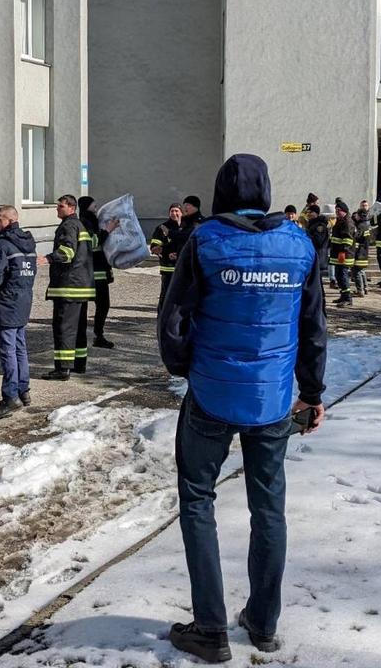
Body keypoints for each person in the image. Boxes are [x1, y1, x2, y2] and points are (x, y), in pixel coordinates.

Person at [159, 153, 326, 662]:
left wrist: (186, 368)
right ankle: (263, 622)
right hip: (273, 398)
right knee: (268, 509)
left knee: (196, 499)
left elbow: (174, 319)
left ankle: (210, 628)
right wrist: (313, 393)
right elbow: (314, 326)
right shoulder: (298, 243)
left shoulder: (204, 240)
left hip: (211, 393)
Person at [0, 206, 38, 420]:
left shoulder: (2, 245)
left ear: (10, 220)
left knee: (8, 351)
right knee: (20, 346)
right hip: (23, 299)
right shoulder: (28, 243)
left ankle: (10, 397)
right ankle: (23, 390)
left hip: (7, 301)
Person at [39, 195, 95, 380]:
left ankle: (63, 369)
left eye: (60, 206)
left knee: (64, 328)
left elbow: (67, 252)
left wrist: (47, 258)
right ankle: (79, 364)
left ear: (71, 208)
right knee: (78, 328)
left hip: (68, 286)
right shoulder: (80, 225)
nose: (57, 209)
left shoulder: (68, 226)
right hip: (82, 285)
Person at [78, 196, 115, 349]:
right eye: (94, 205)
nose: (96, 208)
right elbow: (91, 243)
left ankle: (97, 335)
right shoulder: (85, 222)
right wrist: (107, 231)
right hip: (92, 272)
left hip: (99, 271)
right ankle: (89, 336)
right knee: (93, 305)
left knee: (103, 305)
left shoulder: (92, 221)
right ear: (87, 206)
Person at [151, 203, 182, 312]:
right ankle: (162, 319)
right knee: (165, 297)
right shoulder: (162, 228)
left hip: (183, 270)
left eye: (176, 211)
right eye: (172, 211)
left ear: (181, 213)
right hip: (168, 269)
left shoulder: (186, 228)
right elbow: (154, 248)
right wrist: (165, 252)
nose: (174, 213)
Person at [328, 200, 357, 306]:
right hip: (338, 254)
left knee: (342, 275)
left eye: (338, 210)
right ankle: (343, 295)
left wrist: (342, 252)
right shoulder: (341, 220)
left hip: (344, 254)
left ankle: (348, 298)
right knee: (338, 275)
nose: (336, 212)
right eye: (336, 210)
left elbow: (348, 240)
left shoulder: (347, 222)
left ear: (344, 211)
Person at [303, 205, 330, 302]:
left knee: (317, 280)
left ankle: (320, 299)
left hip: (319, 257)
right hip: (313, 256)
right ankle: (318, 298)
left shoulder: (320, 226)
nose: (309, 214)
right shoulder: (311, 224)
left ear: (316, 213)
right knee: (316, 280)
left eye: (311, 212)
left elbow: (319, 241)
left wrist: (307, 236)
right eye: (308, 212)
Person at [351, 200, 372, 296]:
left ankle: (360, 290)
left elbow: (356, 237)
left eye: (357, 215)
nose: (356, 217)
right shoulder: (366, 226)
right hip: (364, 251)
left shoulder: (360, 226)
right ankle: (365, 288)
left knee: (357, 271)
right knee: (362, 271)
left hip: (359, 252)